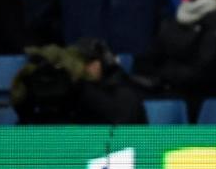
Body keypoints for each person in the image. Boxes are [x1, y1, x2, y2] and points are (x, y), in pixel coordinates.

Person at [11, 38, 146, 125]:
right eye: (84, 63)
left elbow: (120, 119)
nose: (88, 68)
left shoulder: (123, 92)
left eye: (89, 62)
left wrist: (81, 86)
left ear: (99, 64)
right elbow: (23, 113)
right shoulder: (65, 88)